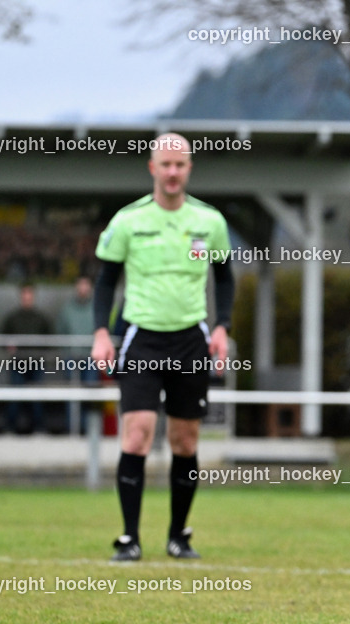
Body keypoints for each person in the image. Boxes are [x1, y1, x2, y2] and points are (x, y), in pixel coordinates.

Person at [91, 132, 234, 562]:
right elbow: (104, 281)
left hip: (191, 338)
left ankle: (178, 537)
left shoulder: (209, 222)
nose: (173, 172)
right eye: (165, 165)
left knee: (185, 440)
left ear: (189, 169)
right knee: (136, 435)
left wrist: (222, 327)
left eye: (180, 165)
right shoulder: (127, 220)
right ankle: (129, 539)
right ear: (152, 168)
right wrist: (101, 332)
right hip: (141, 338)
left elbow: (225, 278)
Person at [0, 283, 52, 433]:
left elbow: (50, 338)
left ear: (33, 298)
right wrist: (8, 347)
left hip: (36, 362)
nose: (27, 299)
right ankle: (10, 428)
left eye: (29, 296)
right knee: (14, 396)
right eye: (24, 296)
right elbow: (2, 337)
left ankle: (39, 428)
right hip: (18, 362)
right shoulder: (13, 317)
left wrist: (41, 351)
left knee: (37, 398)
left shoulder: (41, 318)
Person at [56, 275, 97, 433]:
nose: (83, 289)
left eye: (86, 285)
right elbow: (60, 331)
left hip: (91, 357)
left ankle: (90, 430)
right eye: (81, 285)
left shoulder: (96, 308)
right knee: (72, 395)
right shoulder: (67, 309)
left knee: (91, 394)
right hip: (71, 356)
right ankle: (72, 430)